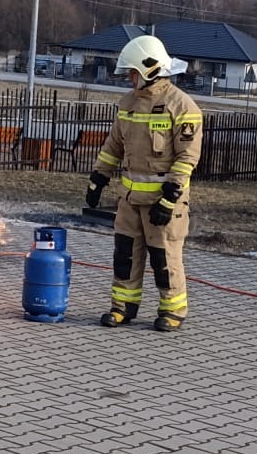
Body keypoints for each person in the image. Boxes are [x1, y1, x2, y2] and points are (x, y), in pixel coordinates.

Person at [84, 35, 203, 333]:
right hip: (129, 199)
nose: (128, 78)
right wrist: (99, 178)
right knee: (124, 254)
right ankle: (122, 307)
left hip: (163, 203)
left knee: (164, 257)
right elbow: (114, 145)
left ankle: (172, 310)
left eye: (132, 72)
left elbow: (187, 157)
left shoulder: (182, 106)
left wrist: (170, 197)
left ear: (149, 70)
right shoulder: (128, 104)